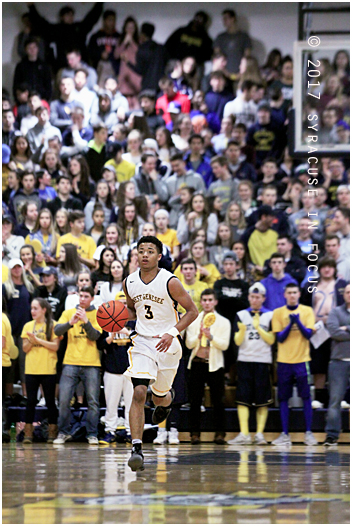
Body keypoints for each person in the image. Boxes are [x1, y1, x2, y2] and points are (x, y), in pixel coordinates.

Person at [122, 236, 198, 471]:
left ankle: (166, 400)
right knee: (138, 391)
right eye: (141, 251)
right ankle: (136, 448)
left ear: (159, 256)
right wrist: (114, 316)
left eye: (150, 251)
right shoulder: (129, 282)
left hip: (168, 344)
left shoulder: (170, 281)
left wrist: (172, 332)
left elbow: (192, 311)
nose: (145, 254)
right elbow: (131, 310)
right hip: (142, 342)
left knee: (158, 397)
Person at [53, 287, 102, 444]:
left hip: (91, 362)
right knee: (64, 399)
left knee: (93, 401)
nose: (82, 299)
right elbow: (56, 330)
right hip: (70, 362)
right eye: (81, 296)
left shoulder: (97, 314)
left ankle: (92, 434)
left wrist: (86, 322)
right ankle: (63, 432)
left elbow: (95, 336)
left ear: (92, 298)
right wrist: (70, 323)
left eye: (86, 296)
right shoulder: (69, 313)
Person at [271, 283, 318, 446]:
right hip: (284, 361)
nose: (292, 295)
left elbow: (308, 335)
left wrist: (297, 322)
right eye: (289, 293)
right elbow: (280, 338)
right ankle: (285, 434)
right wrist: (291, 323)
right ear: (285, 295)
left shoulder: (307, 311)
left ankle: (309, 433)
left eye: (294, 292)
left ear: (299, 294)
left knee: (306, 397)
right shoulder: (278, 313)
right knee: (284, 398)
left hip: (302, 360)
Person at [230, 282, 274, 445]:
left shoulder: (270, 315)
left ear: (263, 298)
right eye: (252, 297)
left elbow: (271, 340)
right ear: (248, 297)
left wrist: (259, 328)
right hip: (245, 360)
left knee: (262, 399)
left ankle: (260, 434)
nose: (255, 300)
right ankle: (244, 434)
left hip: (262, 361)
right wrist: (242, 331)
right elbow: (236, 341)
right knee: (243, 399)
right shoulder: (241, 315)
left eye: (258, 297)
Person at [185, 288, 231, 444]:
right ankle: (194, 434)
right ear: (201, 302)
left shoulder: (224, 321)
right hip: (197, 363)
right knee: (195, 401)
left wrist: (210, 337)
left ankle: (220, 434)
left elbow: (224, 345)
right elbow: (188, 344)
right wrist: (198, 336)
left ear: (215, 302)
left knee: (218, 401)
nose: (207, 303)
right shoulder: (194, 320)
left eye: (210, 300)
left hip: (215, 365)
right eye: (204, 300)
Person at [21, 299, 60, 444]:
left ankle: (52, 432)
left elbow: (55, 346)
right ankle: (28, 433)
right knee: (30, 401)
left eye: (36, 308)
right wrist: (31, 340)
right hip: (31, 369)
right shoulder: (28, 326)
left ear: (44, 310)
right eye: (31, 308)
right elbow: (25, 349)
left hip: (48, 369)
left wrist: (36, 339)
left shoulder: (53, 325)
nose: (33, 311)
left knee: (50, 402)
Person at [99, 291, 134, 444]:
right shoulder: (106, 323)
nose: (123, 306)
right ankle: (110, 431)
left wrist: (127, 333)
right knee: (111, 404)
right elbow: (100, 344)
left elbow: (142, 343)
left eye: (125, 303)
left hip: (131, 370)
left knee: (131, 404)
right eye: (120, 303)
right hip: (112, 369)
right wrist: (111, 336)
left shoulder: (135, 323)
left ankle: (130, 432)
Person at [28, 3, 104, 71]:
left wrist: (100, 3)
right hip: (63, 66)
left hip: (80, 65)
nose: (70, 17)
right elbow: (41, 24)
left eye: (71, 15)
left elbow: (91, 18)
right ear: (62, 17)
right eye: (67, 15)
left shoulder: (79, 28)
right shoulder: (57, 30)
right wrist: (31, 7)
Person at [324, 284, 350, 446]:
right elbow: (334, 332)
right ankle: (332, 436)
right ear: (344, 295)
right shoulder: (335, 312)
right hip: (338, 362)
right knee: (335, 400)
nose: (350, 295)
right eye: (348, 292)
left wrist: (347, 328)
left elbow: (341, 333)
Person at [124, 23, 168, 92]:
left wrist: (127, 62)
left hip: (147, 86)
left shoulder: (142, 49)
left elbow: (139, 70)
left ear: (142, 35)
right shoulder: (161, 48)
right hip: (160, 87)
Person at [166, 152, 206, 228]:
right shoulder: (169, 181)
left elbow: (203, 196)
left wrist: (190, 196)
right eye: (173, 166)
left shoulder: (197, 178)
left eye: (177, 165)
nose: (175, 169)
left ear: (184, 163)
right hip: (175, 219)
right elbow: (168, 201)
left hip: (194, 216)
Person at [214, 9, 252, 74]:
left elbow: (247, 56)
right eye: (223, 19)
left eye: (226, 18)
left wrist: (242, 71)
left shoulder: (243, 36)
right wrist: (222, 70)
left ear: (233, 19)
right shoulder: (220, 37)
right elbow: (217, 54)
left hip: (240, 72)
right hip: (223, 73)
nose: (224, 21)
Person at [13, 37, 52, 101]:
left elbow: (48, 85)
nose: (32, 50)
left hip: (42, 100)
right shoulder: (20, 66)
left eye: (34, 47)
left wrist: (46, 98)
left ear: (38, 49)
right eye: (29, 48)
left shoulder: (44, 66)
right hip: (25, 100)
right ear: (25, 50)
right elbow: (16, 85)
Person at [241, 205, 278, 270]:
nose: (273, 219)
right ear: (263, 217)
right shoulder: (250, 234)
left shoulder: (275, 233)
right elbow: (241, 244)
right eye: (271, 216)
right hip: (255, 271)